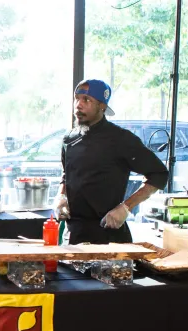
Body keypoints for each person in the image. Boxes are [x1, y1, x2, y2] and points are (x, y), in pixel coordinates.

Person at [54, 79, 168, 244]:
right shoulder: (69, 138)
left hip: (108, 235)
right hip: (73, 236)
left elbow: (159, 175)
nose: (78, 105)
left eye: (87, 100)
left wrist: (126, 207)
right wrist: (61, 195)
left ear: (102, 106)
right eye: (76, 98)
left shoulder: (121, 139)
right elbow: (66, 174)